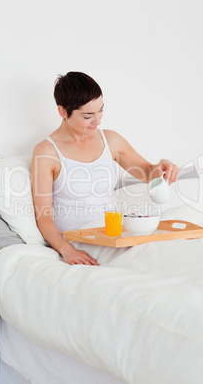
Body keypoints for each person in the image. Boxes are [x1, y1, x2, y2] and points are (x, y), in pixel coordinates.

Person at [31, 71, 179, 266]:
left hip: (113, 233)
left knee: (167, 253)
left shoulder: (110, 140)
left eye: (101, 110)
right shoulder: (47, 152)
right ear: (63, 112)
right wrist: (67, 251)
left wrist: (162, 166)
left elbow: (149, 174)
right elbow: (44, 218)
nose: (97, 120)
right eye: (87, 115)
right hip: (80, 240)